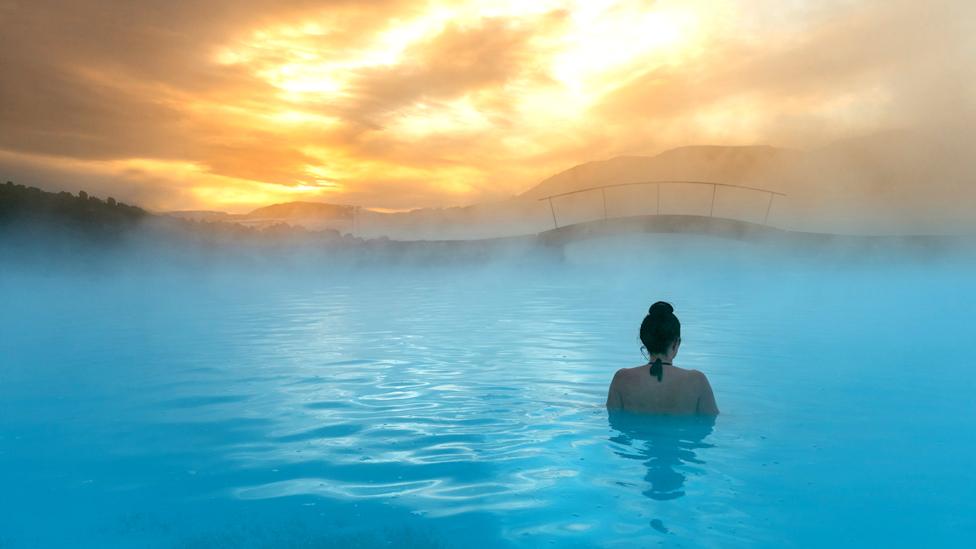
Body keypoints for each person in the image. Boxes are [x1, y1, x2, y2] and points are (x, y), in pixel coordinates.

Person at [606, 301, 718, 415]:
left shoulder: (621, 379)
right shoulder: (697, 381)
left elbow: (613, 419)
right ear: (676, 343)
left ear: (644, 341)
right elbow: (711, 420)